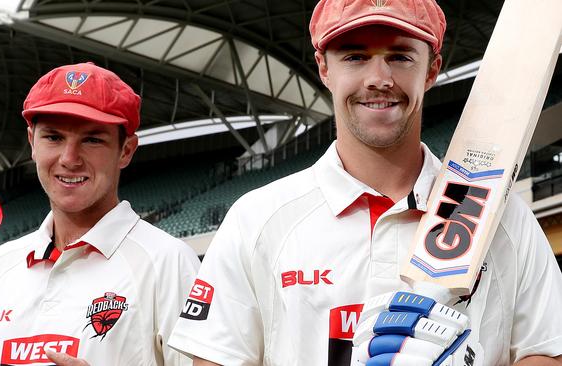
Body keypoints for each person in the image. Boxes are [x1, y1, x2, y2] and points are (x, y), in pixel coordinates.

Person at [167, 0, 562, 365]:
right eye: (355, 56)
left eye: (400, 56)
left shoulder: (505, 218)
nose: (379, 78)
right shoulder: (257, 219)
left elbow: (546, 351)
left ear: (432, 68)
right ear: (324, 68)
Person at [0, 62, 200, 365]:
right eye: (53, 137)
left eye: (92, 139)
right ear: (32, 143)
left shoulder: (169, 262)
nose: (69, 158)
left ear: (126, 150)